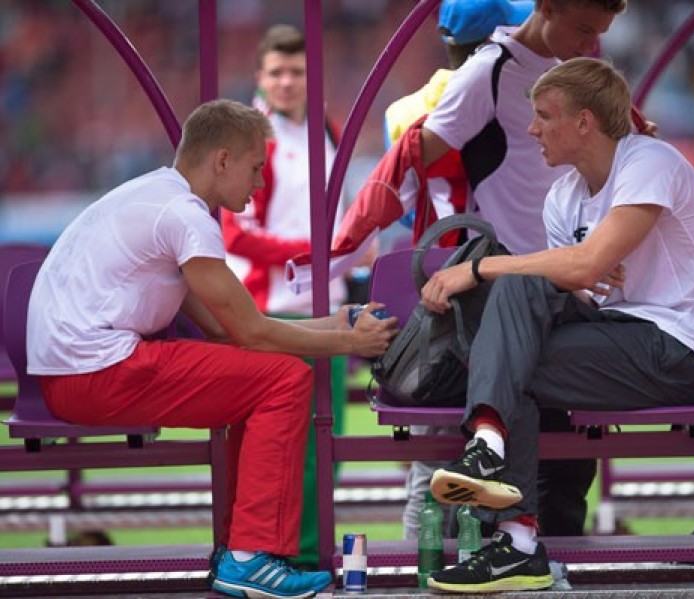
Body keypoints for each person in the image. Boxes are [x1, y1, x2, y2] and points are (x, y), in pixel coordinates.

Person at [26, 99, 398, 599]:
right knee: (285, 380)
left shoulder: (155, 195)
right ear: (222, 160)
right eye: (255, 167)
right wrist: (348, 341)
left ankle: (241, 551)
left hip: (75, 372)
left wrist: (334, 321)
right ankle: (248, 557)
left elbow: (229, 331)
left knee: (264, 375)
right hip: (96, 371)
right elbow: (250, 333)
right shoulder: (185, 216)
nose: (261, 183)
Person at [420, 57, 694, 593]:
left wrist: (477, 268)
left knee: (509, 340)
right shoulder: (562, 198)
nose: (531, 128)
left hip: (679, 349)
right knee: (516, 313)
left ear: (584, 122)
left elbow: (584, 270)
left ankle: (512, 525)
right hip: (617, 334)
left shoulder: (650, 162)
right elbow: (576, 277)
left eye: (544, 115)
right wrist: (575, 264)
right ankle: (494, 454)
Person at [336, 0, 630, 540]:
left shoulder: (583, 75)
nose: (591, 41)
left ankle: (542, 561)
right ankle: (431, 564)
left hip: (572, 291)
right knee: (467, 450)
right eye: (584, 27)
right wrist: (355, 237)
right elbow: (410, 158)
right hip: (501, 291)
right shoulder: (486, 73)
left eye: (599, 33)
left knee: (564, 466)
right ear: (546, 8)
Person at [221, 24, 349, 568]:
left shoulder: (325, 127)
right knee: (277, 451)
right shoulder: (254, 136)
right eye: (276, 72)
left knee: (328, 446)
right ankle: (274, 556)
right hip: (270, 312)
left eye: (297, 71)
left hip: (326, 309)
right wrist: (317, 249)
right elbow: (236, 235)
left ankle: (310, 553)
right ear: (259, 77)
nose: (287, 81)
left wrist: (344, 250)